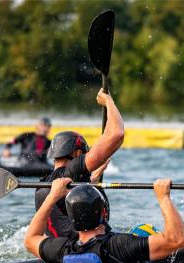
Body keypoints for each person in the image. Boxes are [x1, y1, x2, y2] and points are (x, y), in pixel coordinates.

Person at [25, 178, 184, 263]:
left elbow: (30, 239)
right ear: (104, 211)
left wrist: (53, 196)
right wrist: (163, 197)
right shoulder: (118, 246)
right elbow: (178, 240)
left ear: (71, 217)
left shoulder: (64, 250)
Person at [34, 89, 124, 239]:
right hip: (83, 248)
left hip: (59, 250)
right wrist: (109, 102)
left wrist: (90, 183)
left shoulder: (47, 182)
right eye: (84, 154)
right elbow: (116, 134)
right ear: (76, 154)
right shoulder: (73, 170)